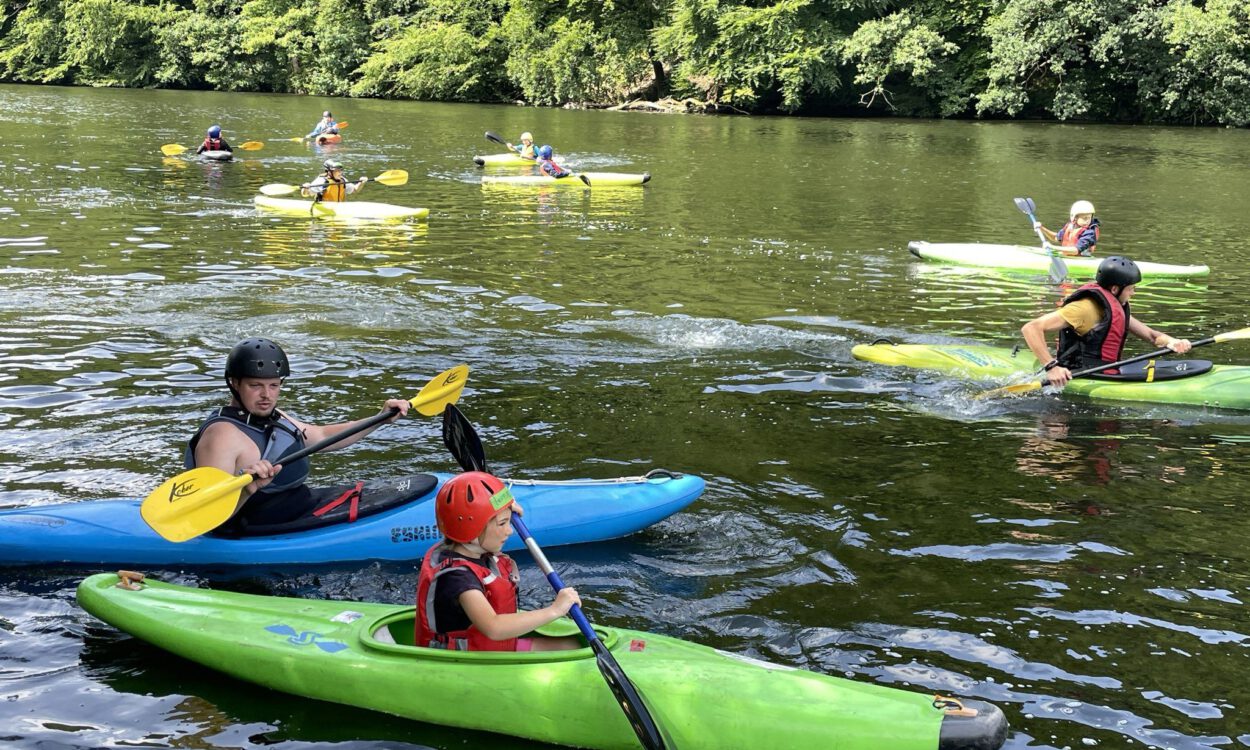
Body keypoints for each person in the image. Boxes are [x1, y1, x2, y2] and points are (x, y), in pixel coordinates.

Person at [185, 338, 411, 527]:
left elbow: (322, 436)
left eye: (274, 385)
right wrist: (247, 489)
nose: (266, 395)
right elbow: (208, 518)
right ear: (235, 383)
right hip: (261, 529)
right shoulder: (221, 437)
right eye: (255, 386)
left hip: (302, 506)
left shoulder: (271, 415)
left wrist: (379, 419)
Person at [415, 471, 583, 652]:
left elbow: (471, 516)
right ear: (471, 529)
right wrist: (555, 610)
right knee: (570, 648)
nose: (509, 531)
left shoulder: (467, 547)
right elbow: (494, 627)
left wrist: (505, 507)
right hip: (464, 658)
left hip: (490, 646)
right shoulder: (458, 579)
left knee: (571, 644)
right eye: (503, 523)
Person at [1020, 256, 1191, 387]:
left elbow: (1152, 336)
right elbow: (1031, 328)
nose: (1133, 293)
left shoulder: (1114, 307)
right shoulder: (1084, 309)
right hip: (1077, 373)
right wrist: (1051, 367)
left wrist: (1172, 342)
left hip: (1105, 371)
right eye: (1131, 288)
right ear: (1115, 289)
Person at [1034, 200, 1100, 256]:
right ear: (1075, 218)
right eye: (1085, 218)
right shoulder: (1070, 226)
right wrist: (1041, 228)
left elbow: (1076, 250)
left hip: (1081, 259)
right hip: (1067, 256)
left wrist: (1052, 247)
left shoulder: (1089, 233)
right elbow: (1055, 238)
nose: (1088, 221)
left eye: (1089, 218)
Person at [300, 160, 367, 202]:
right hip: (325, 209)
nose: (340, 173)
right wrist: (305, 188)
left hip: (339, 208)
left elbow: (355, 190)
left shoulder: (342, 180)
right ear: (329, 172)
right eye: (337, 171)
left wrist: (361, 183)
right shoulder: (322, 181)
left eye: (340, 170)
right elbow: (305, 194)